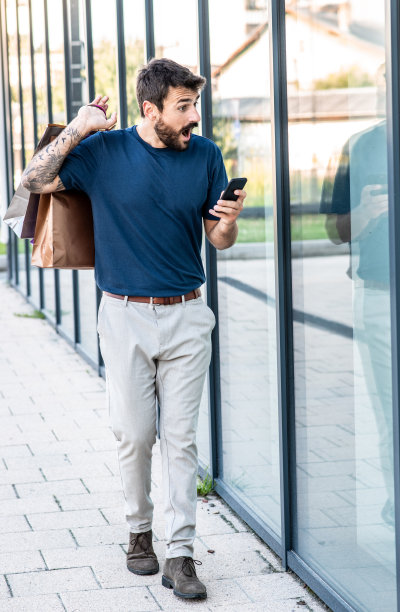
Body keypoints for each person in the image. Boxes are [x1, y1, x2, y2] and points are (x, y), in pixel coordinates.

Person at [21, 58, 246, 600]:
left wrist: (229, 223)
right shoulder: (104, 153)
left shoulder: (207, 156)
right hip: (123, 315)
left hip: (189, 314)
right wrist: (78, 128)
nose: (194, 117)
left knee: (183, 439)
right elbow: (32, 180)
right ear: (152, 109)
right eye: (183, 107)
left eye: (195, 104)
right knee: (136, 433)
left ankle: (183, 553)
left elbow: (217, 241)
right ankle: (139, 532)